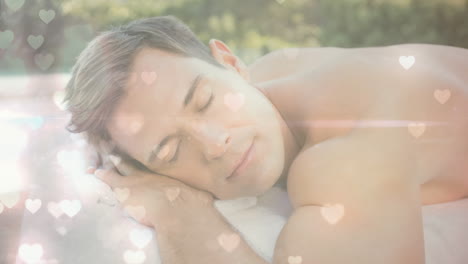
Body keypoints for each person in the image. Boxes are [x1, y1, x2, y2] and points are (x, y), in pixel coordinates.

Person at [63, 15, 468, 264]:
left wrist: (176, 209)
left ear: (232, 63)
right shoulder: (272, 77)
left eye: (204, 101)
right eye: (170, 151)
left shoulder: (347, 157)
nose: (214, 141)